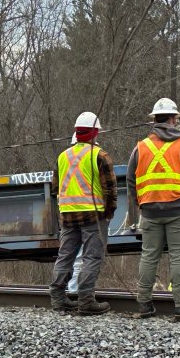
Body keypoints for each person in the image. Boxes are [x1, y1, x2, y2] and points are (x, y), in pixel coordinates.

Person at [128, 98, 180, 320]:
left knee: (149, 257)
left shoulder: (140, 148)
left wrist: (141, 203)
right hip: (179, 210)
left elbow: (131, 181)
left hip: (149, 212)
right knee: (178, 258)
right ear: (174, 119)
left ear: (154, 120)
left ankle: (144, 304)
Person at [50, 111, 117, 315]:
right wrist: (108, 212)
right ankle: (86, 300)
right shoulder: (100, 156)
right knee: (91, 257)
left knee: (65, 256)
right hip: (93, 215)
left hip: (68, 215)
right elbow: (110, 190)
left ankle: (58, 299)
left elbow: (55, 188)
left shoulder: (63, 156)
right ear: (95, 132)